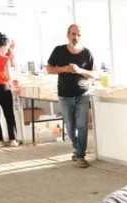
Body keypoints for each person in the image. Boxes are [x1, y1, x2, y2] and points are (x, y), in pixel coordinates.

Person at [46, 24, 95, 169]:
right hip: (65, 94)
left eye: (79, 35)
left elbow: (92, 73)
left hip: (83, 94)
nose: (76, 37)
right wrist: (64, 69)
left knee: (82, 126)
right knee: (70, 126)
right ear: (68, 35)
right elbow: (49, 68)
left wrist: (79, 70)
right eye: (74, 34)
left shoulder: (87, 53)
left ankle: (81, 155)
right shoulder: (59, 50)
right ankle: (77, 147)